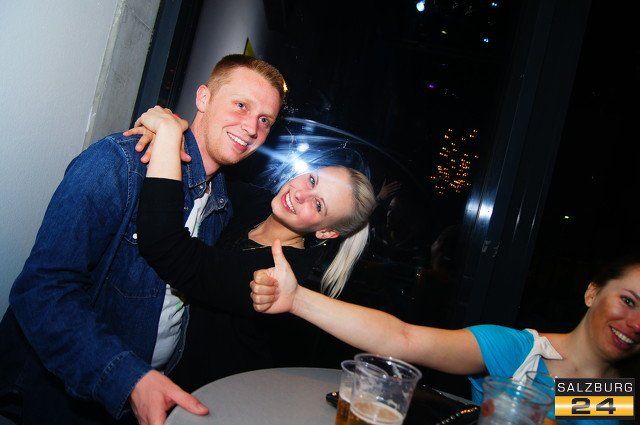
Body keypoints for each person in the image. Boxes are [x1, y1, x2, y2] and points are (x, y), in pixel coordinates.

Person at [0, 54, 285, 425]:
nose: (251, 128)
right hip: (70, 396)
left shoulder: (222, 204)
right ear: (203, 98)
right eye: (241, 105)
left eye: (265, 120)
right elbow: (41, 291)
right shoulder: (119, 164)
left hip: (150, 397)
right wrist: (129, 378)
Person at [129, 106, 376, 391]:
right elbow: (203, 175)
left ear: (326, 232)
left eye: (318, 204)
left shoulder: (280, 274)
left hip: (214, 396)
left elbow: (170, 252)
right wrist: (167, 135)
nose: (300, 193)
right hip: (172, 374)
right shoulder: (256, 202)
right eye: (312, 180)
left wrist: (169, 137)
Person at [251, 248, 640, 424]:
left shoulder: (616, 395)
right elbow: (403, 339)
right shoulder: (519, 354)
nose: (636, 324)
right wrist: (298, 299)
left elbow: (567, 408)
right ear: (592, 292)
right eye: (628, 300)